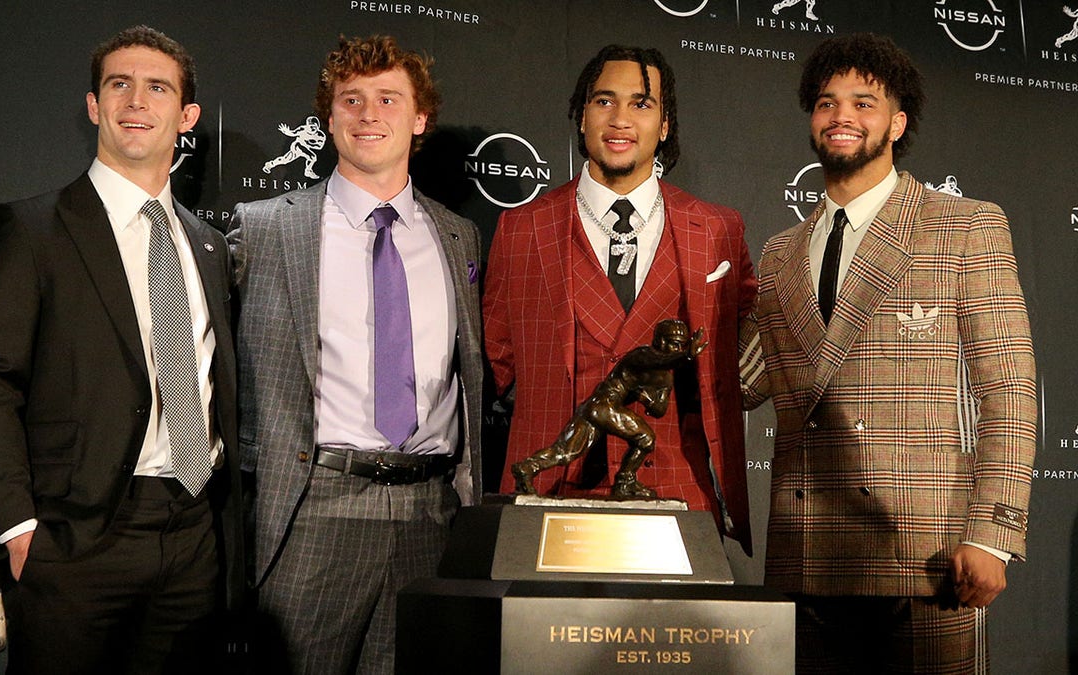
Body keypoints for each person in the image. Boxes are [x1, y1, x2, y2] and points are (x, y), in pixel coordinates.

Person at [738, 32, 1036, 672]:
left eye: (863, 103)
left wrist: (994, 534)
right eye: (826, 102)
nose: (842, 116)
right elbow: (741, 383)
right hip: (806, 550)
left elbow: (1007, 388)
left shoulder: (965, 224)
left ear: (897, 123)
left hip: (925, 555)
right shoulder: (779, 252)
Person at [0, 25, 243, 674]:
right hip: (73, 539)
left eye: (157, 87)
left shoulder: (209, 246)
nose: (136, 100)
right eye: (120, 84)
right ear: (94, 106)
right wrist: (19, 531)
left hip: (194, 534)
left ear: (186, 115)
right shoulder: (29, 229)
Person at [228, 35, 482, 674]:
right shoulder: (265, 227)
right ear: (330, 116)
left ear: (419, 119)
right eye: (352, 99)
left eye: (388, 98)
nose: (369, 114)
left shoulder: (458, 236)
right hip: (313, 508)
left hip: (431, 516)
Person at [484, 44, 756, 553]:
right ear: (581, 115)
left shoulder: (719, 229)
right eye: (604, 101)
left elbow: (744, 347)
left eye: (641, 104)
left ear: (665, 124)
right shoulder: (521, 228)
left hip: (679, 497)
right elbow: (500, 358)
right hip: (552, 495)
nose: (620, 119)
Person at [512, 320, 705, 498]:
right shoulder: (642, 355)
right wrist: (686, 356)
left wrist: (645, 397)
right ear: (660, 341)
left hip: (599, 409)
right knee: (642, 439)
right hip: (603, 404)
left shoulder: (666, 378)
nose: (677, 349)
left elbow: (659, 410)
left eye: (681, 345)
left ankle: (527, 468)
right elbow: (660, 361)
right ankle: (624, 481)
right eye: (673, 343)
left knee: (567, 451)